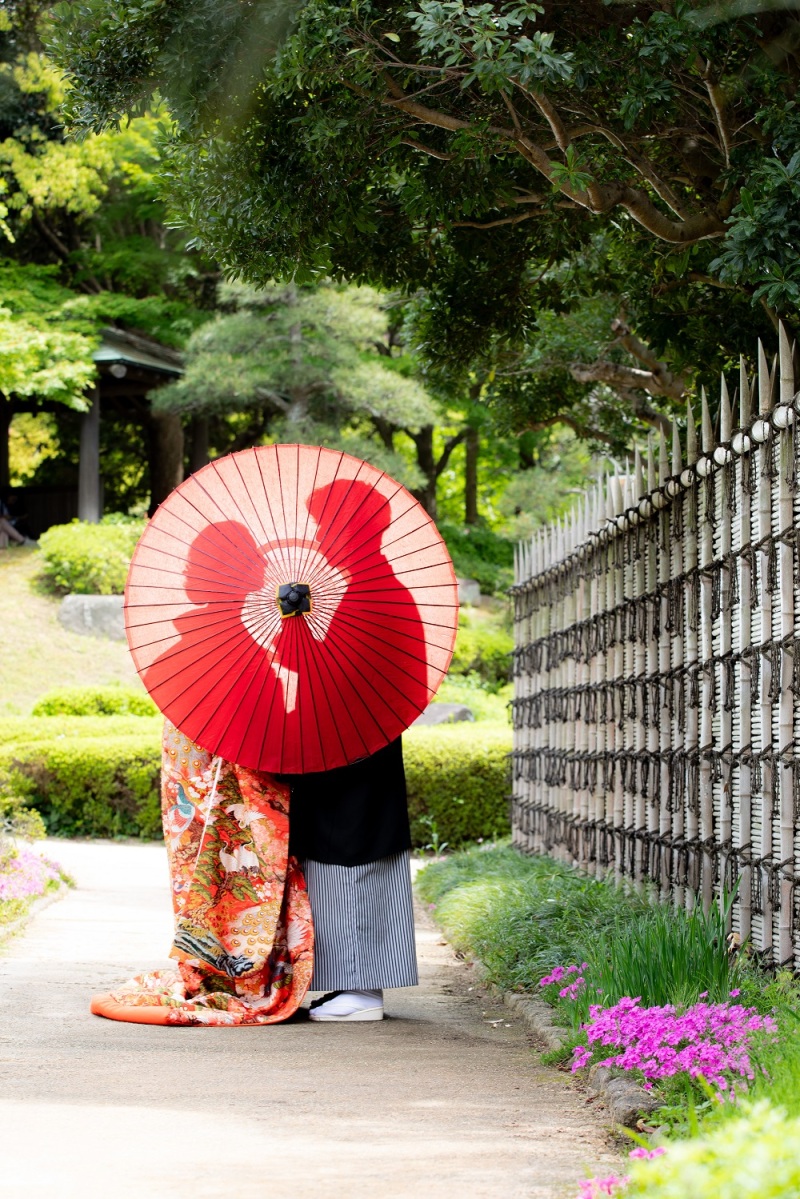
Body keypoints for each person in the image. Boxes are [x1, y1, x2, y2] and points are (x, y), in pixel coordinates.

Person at [283, 736, 418, 1022]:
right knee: (343, 869)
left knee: (350, 870)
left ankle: (362, 992)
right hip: (355, 753)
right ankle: (354, 986)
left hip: (349, 763)